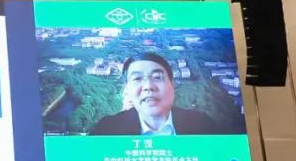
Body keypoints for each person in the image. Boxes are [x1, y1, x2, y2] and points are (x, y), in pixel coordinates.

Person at [90, 52, 219, 135]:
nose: (148, 86)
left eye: (157, 77)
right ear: (127, 89)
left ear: (172, 84)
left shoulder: (204, 126)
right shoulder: (105, 130)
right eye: (137, 78)